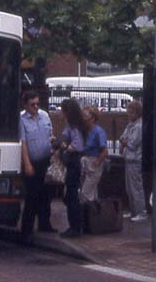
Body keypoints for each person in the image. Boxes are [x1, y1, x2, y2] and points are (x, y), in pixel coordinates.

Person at [19, 91, 56, 244]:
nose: (35, 107)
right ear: (25, 105)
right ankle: (26, 231)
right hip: (32, 162)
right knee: (32, 197)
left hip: (46, 160)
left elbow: (50, 135)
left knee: (46, 194)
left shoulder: (45, 116)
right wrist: (27, 164)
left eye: (37, 104)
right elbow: (23, 143)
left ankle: (44, 224)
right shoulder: (21, 119)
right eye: (32, 104)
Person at [58, 98, 87, 238]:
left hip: (74, 162)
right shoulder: (71, 126)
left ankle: (75, 227)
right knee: (70, 194)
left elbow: (77, 145)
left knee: (71, 194)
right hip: (72, 162)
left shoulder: (74, 127)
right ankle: (75, 225)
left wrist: (65, 147)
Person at [120, 101, 147, 222]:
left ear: (137, 112)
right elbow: (122, 137)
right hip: (129, 158)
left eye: (131, 112)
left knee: (136, 187)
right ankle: (133, 210)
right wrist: (124, 141)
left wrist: (125, 142)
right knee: (128, 187)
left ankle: (141, 212)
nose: (129, 115)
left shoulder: (139, 126)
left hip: (136, 159)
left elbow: (132, 143)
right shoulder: (130, 124)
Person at [80, 106, 108, 204]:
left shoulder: (98, 132)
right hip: (86, 161)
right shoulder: (86, 130)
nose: (83, 118)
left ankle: (86, 215)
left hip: (93, 161)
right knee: (91, 191)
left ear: (92, 117)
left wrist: (97, 162)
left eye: (85, 116)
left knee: (86, 192)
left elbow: (104, 150)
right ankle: (94, 215)